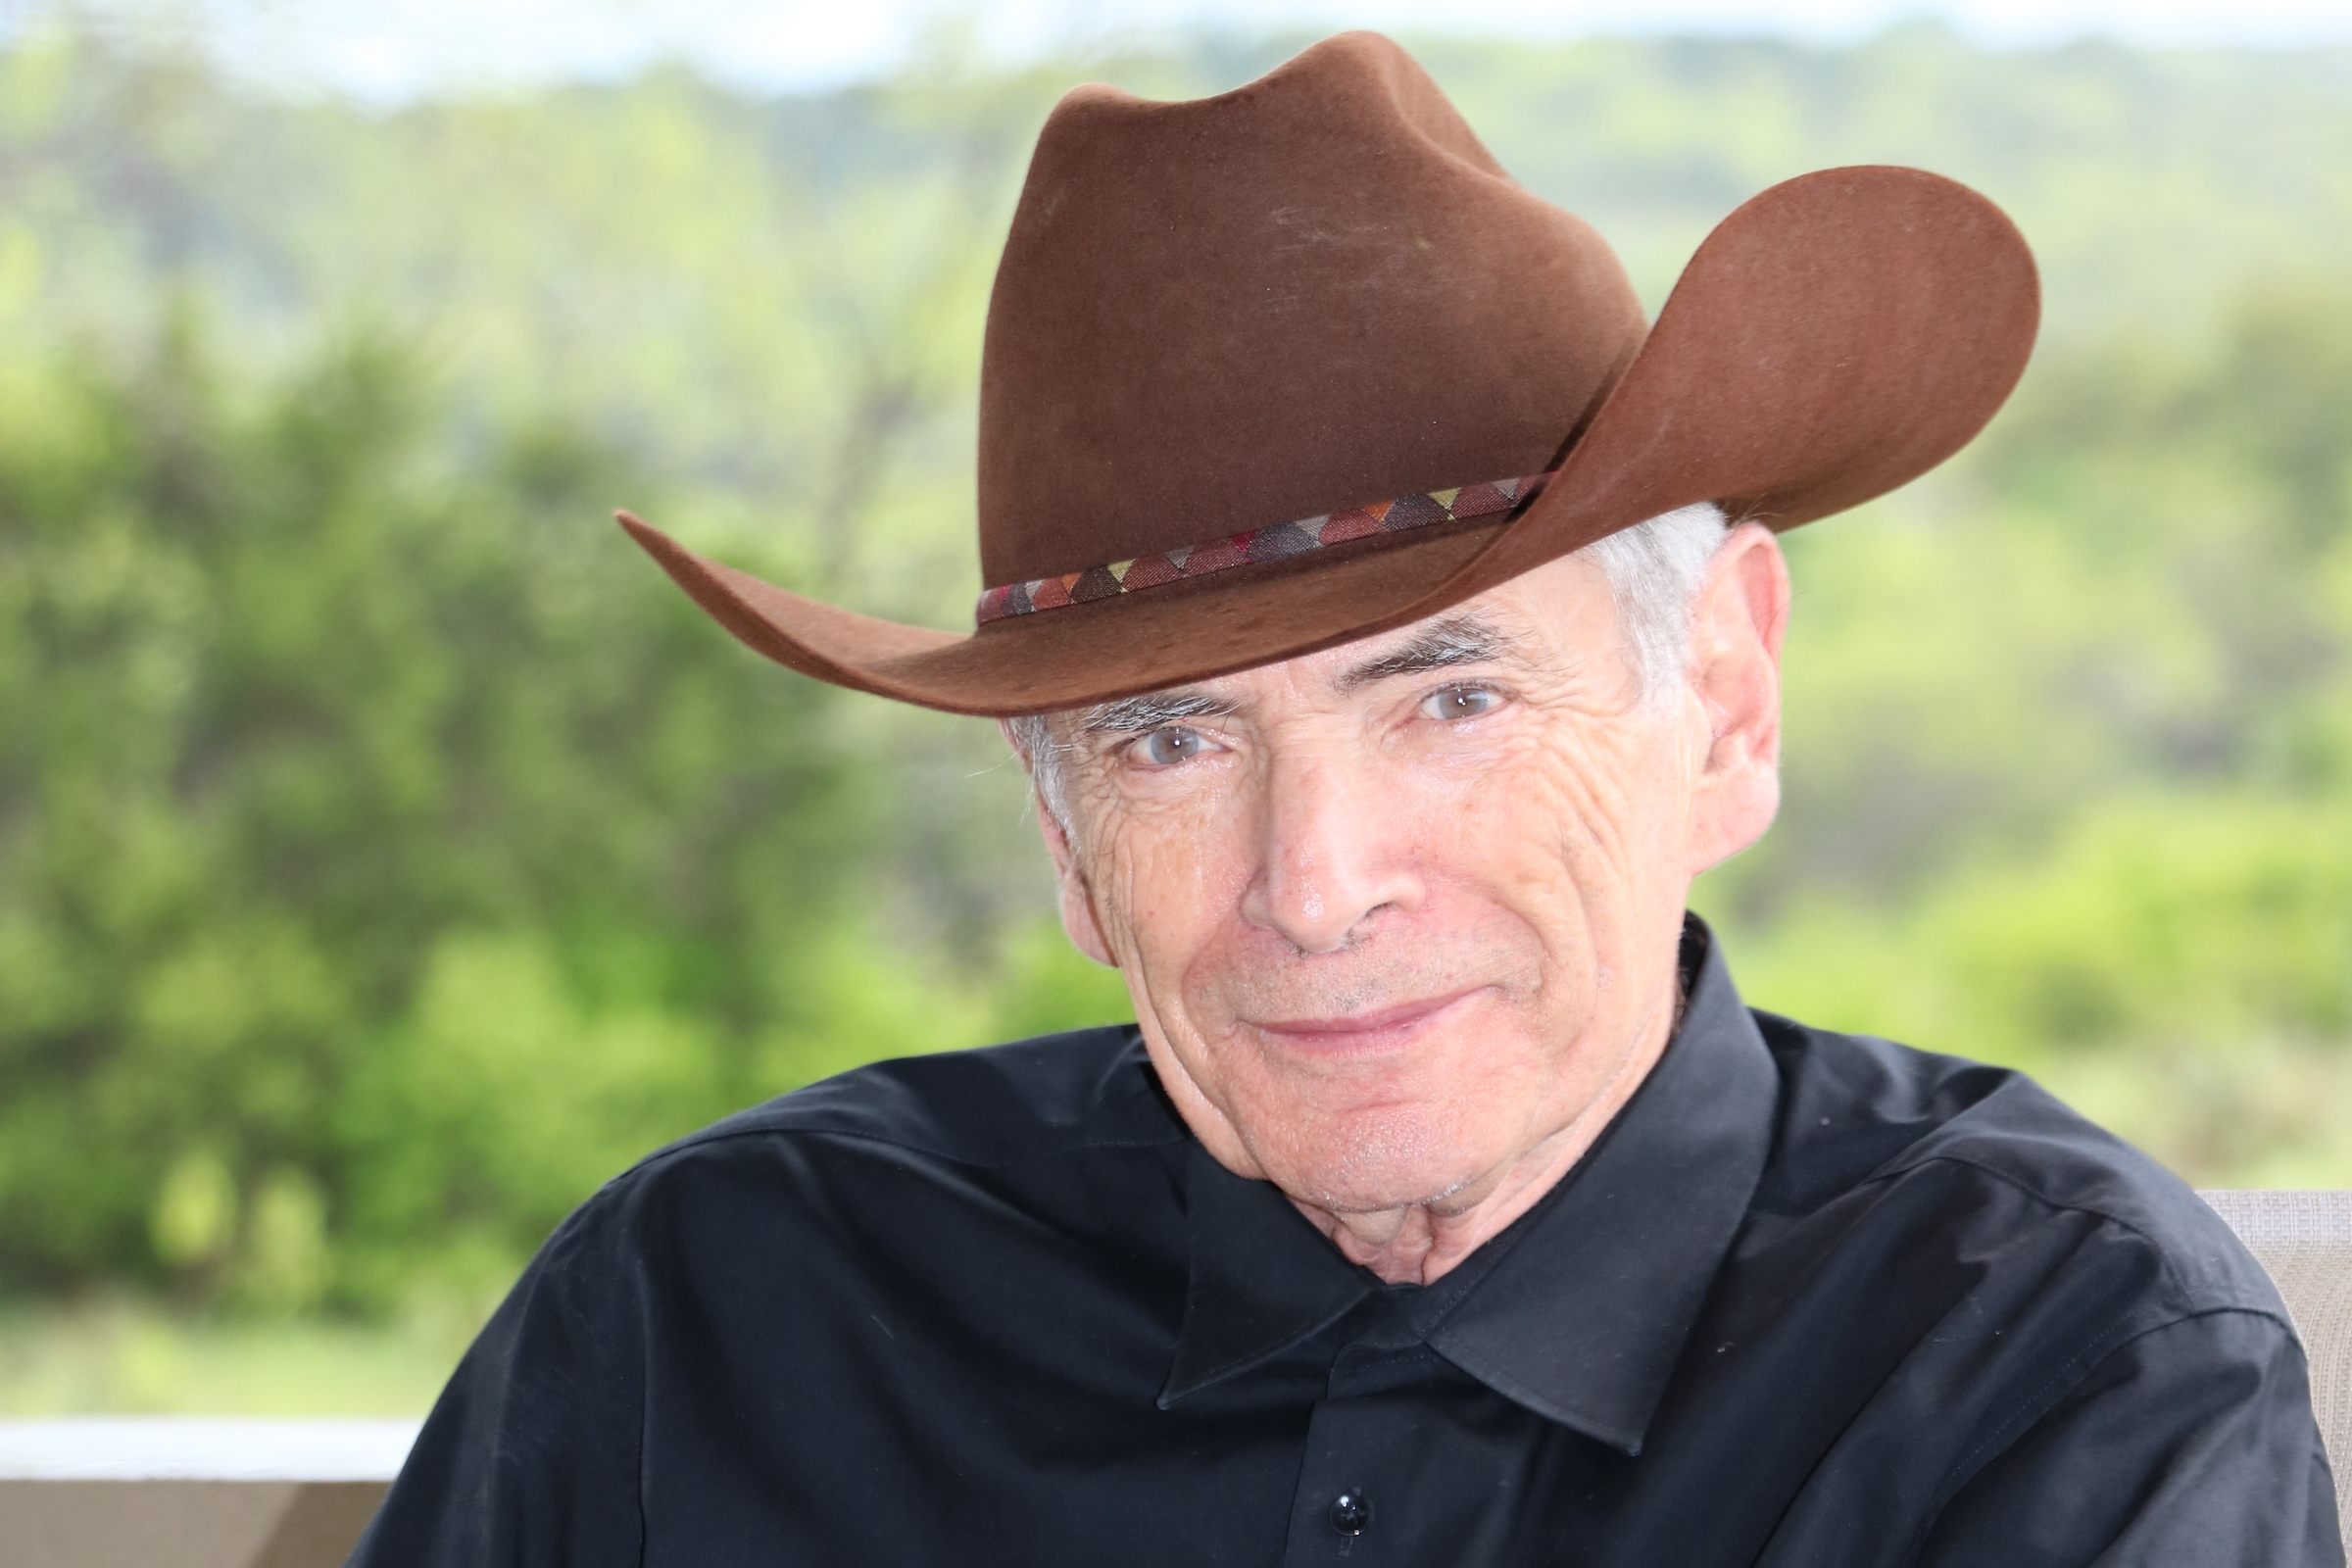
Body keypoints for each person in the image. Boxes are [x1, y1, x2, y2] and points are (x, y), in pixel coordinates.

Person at [353, 31, 2340, 1567]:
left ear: (1722, 699)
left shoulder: (2057, 1374)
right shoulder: (714, 1317)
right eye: (1170, 741)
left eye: (1452, 693)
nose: (1316, 884)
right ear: (1063, 843)